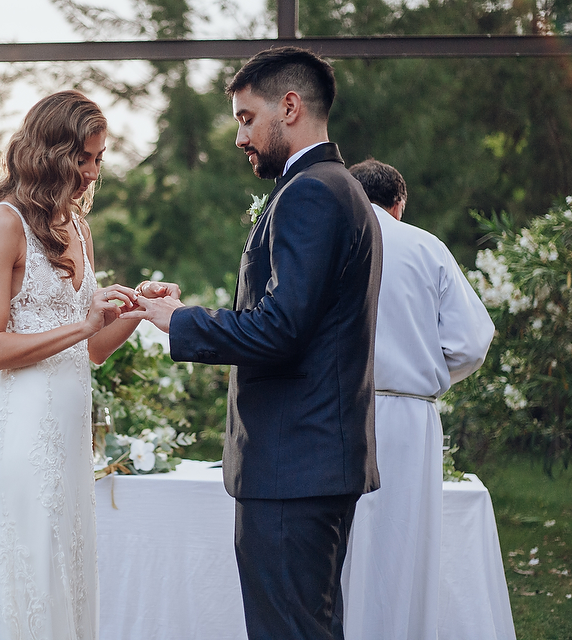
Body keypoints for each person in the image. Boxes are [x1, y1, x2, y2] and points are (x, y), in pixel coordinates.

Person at [122, 47, 382, 640]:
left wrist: (177, 320)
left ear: (289, 106)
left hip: (295, 466)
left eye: (245, 117)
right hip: (311, 462)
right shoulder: (333, 187)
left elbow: (280, 330)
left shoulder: (312, 193)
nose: (239, 135)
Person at [0, 90, 176, 640]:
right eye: (82, 158)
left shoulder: (77, 227)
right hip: (20, 433)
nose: (91, 172)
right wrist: (83, 324)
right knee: (28, 582)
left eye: (98, 159)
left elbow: (92, 351)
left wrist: (138, 310)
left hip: (69, 435)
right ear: (50, 152)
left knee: (68, 582)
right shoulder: (5, 224)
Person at [339, 159, 494, 640]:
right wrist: (425, 373)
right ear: (398, 205)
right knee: (402, 544)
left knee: (343, 542)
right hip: (409, 415)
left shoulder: (332, 242)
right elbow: (472, 340)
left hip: (338, 408)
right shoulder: (428, 247)